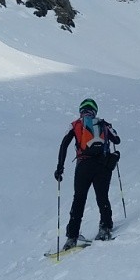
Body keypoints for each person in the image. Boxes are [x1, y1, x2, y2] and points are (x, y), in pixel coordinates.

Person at [55, 98, 120, 249]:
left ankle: (72, 237)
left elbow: (64, 145)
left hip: (83, 166)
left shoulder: (75, 125)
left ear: (81, 110)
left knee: (79, 199)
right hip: (103, 165)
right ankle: (105, 228)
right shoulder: (103, 124)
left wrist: (60, 167)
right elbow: (117, 140)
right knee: (102, 196)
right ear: (95, 110)